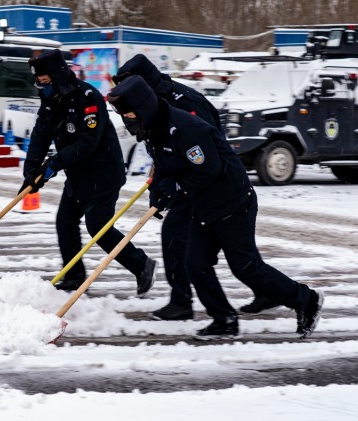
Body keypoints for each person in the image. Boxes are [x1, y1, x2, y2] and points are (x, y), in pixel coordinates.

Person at [107, 76, 324, 340]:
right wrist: (158, 192)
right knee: (195, 263)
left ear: (143, 107)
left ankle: (306, 299)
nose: (127, 120)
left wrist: (175, 191)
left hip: (231, 201)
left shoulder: (185, 128)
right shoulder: (153, 127)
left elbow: (207, 171)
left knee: (245, 267)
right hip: (203, 203)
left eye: (128, 113)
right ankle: (224, 319)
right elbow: (164, 165)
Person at [112, 54, 278, 320]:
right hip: (188, 178)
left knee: (178, 237)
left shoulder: (184, 102)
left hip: (207, 181)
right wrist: (158, 186)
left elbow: (204, 148)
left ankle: (182, 301)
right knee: (235, 251)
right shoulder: (155, 104)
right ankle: (265, 289)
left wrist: (177, 185)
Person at [21, 49, 158, 295]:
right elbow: (41, 134)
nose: (42, 87)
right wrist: (31, 171)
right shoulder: (51, 100)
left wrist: (54, 163)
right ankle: (73, 277)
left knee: (98, 228)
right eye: (39, 83)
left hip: (102, 174)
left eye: (45, 81)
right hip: (77, 174)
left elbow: (87, 143)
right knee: (65, 223)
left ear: (58, 76)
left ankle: (141, 265)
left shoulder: (87, 97)